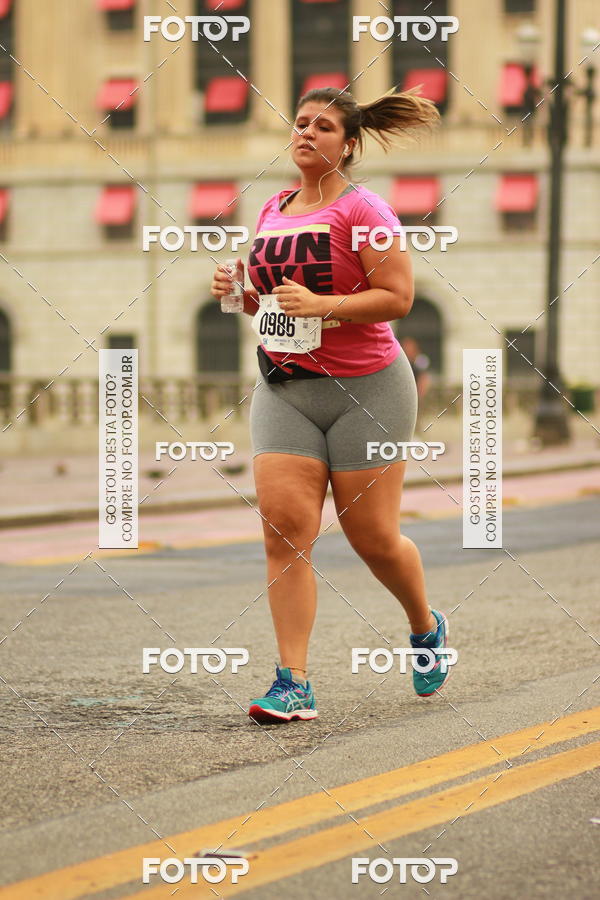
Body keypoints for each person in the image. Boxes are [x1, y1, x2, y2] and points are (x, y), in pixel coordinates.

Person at [211, 86, 452, 723]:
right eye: (299, 123)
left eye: (322, 126)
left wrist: (325, 307)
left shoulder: (363, 209)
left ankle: (426, 628)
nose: (306, 133)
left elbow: (397, 297)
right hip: (286, 388)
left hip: (367, 388)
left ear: (347, 144)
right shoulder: (273, 209)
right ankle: (293, 682)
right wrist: (237, 294)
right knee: (285, 528)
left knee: (371, 536)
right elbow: (268, 303)